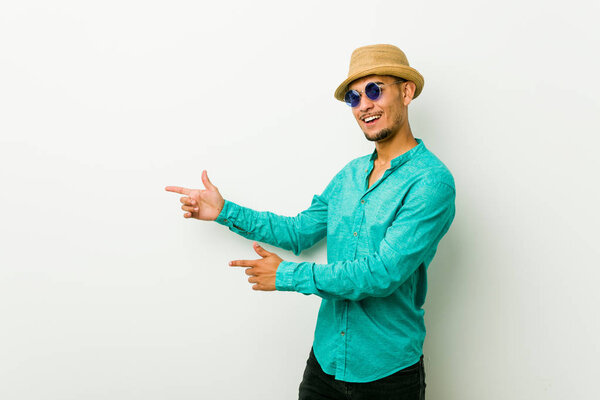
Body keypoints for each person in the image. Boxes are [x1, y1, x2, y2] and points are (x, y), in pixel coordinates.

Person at [165, 44, 455, 400]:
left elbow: (382, 274)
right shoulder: (350, 175)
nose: (364, 104)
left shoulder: (431, 181)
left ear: (406, 91)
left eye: (375, 90)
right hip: (325, 363)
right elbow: (300, 232)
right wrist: (225, 210)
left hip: (387, 376)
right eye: (354, 97)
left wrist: (287, 275)